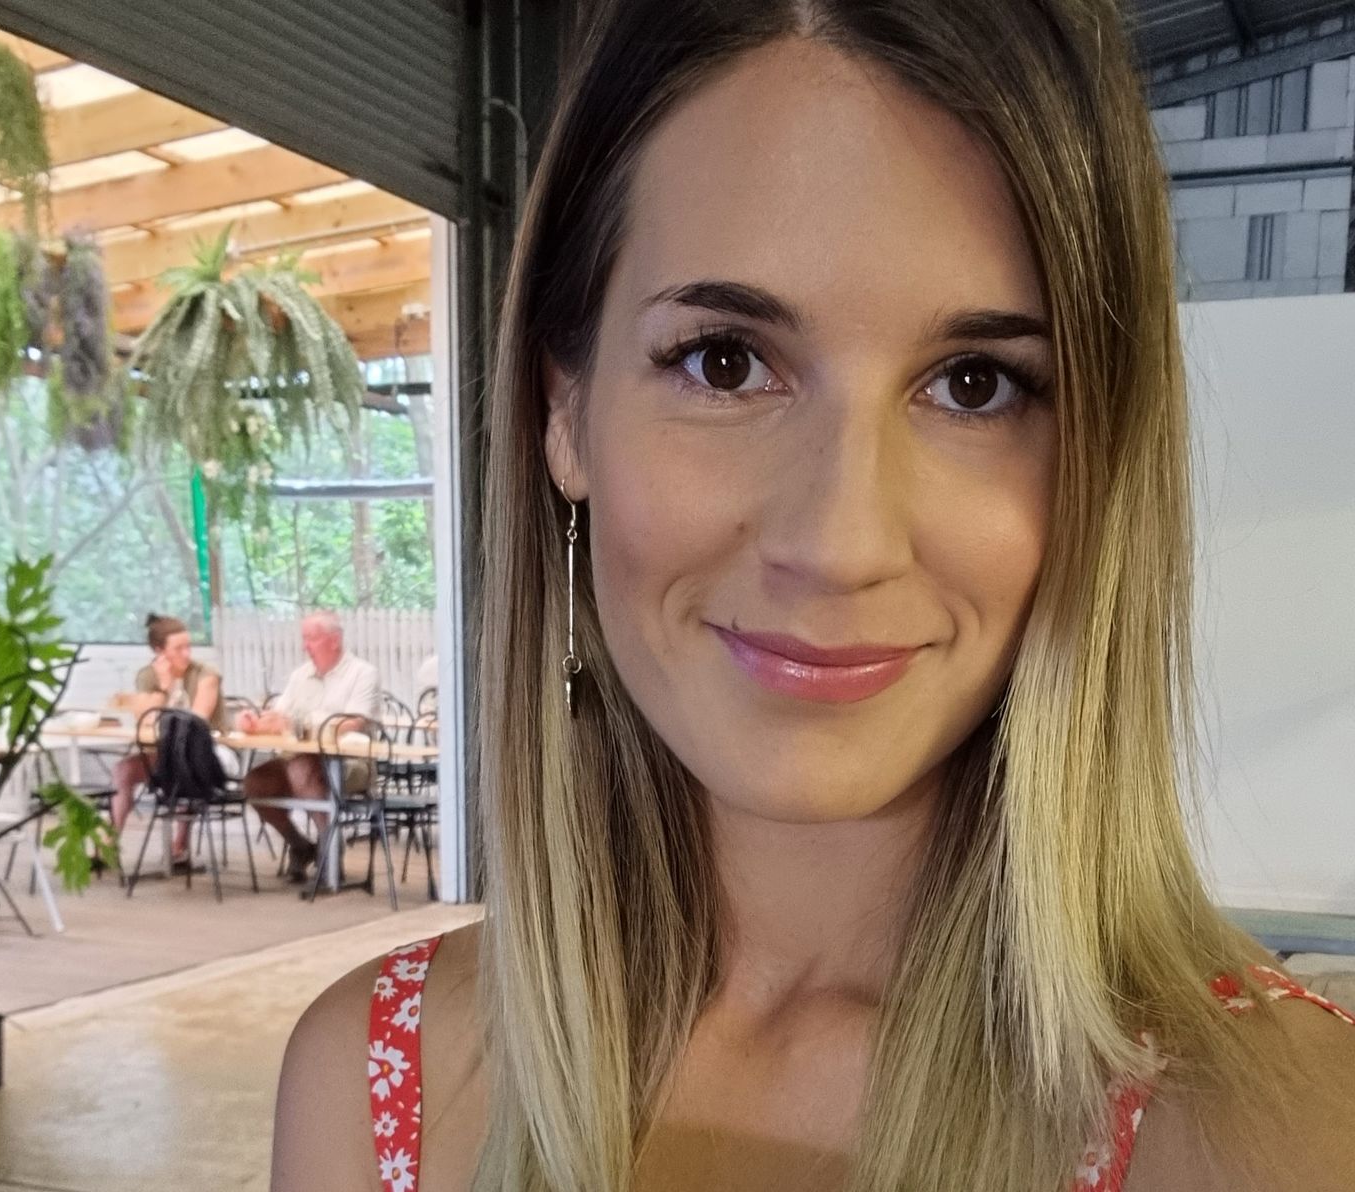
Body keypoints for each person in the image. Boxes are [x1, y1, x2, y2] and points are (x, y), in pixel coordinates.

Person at [272, 2, 1355, 1190]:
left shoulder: (1287, 1135)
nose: (840, 543)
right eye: (725, 361)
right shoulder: (366, 1081)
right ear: (564, 411)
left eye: (976, 384)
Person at [239, 611, 380, 883]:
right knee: (256, 783)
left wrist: (295, 723)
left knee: (302, 768)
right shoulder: (300, 676)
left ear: (334, 640)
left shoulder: (363, 674)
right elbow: (279, 715)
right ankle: (300, 845)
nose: (306, 646)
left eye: (312, 638)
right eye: (304, 639)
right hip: (296, 760)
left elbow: (352, 722)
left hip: (349, 764)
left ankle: (330, 849)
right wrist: (256, 722)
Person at [111, 614, 224, 870]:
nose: (186, 653)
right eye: (178, 648)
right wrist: (164, 687)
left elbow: (196, 724)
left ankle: (179, 847)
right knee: (123, 770)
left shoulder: (205, 675)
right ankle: (109, 845)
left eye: (188, 646)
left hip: (210, 754)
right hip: (164, 753)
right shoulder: (147, 676)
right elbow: (145, 720)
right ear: (159, 651)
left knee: (183, 766)